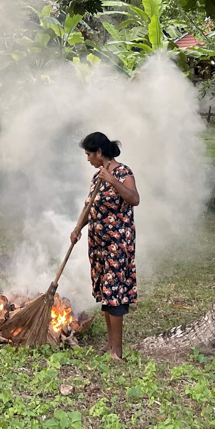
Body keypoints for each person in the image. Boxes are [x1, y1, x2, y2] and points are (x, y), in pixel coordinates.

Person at [70, 131, 139, 360]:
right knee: (105, 293)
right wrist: (77, 228)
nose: (88, 159)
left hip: (117, 244)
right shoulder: (96, 177)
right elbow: (89, 207)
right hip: (98, 243)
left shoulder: (123, 172)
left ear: (99, 152)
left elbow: (134, 199)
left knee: (114, 293)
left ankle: (117, 352)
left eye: (89, 154)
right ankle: (110, 345)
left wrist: (113, 181)